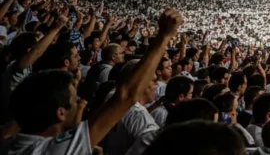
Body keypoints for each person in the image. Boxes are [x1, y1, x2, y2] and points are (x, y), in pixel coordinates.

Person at [1, 9, 181, 155]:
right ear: (60, 113)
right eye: (73, 101)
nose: (79, 104)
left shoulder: (11, 141)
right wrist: (163, 37)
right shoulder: (57, 150)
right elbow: (125, 96)